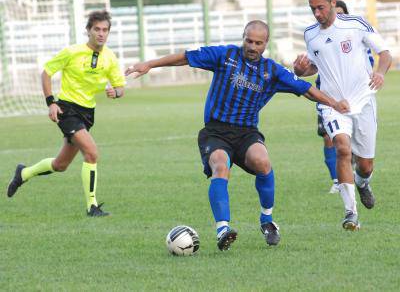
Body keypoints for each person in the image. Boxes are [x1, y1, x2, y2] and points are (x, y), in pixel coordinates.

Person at [125, 20, 349, 250]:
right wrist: (150, 64)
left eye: (258, 43)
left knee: (263, 162)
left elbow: (307, 90)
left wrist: (334, 103)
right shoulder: (225, 56)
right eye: (249, 41)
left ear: (265, 44)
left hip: (246, 133)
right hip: (215, 131)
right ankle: (223, 228)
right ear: (243, 37)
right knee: (220, 166)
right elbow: (186, 56)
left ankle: (267, 220)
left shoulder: (272, 71)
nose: (252, 46)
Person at [7, 10, 126, 217]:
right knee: (91, 152)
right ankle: (92, 206)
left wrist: (114, 92)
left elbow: (120, 87)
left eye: (105, 30)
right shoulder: (72, 52)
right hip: (67, 109)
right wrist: (50, 102)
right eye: (96, 29)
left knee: (60, 165)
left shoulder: (110, 57)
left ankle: (23, 173)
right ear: (88, 31)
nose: (101, 33)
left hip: (88, 113)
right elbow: (47, 72)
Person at [293, 0, 392, 230]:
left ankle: (362, 183)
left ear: (334, 3)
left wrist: (380, 72)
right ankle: (350, 213)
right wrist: (301, 70)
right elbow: (316, 65)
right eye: (312, 8)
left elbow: (385, 53)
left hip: (363, 99)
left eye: (321, 7)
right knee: (342, 148)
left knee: (366, 164)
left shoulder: (356, 24)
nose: (317, 13)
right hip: (333, 104)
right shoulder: (310, 34)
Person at [317, 0, 374, 194]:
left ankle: (360, 179)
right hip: (327, 100)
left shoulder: (355, 38)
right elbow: (312, 64)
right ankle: (337, 181)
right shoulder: (318, 36)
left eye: (342, 14)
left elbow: (369, 63)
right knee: (331, 140)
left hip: (357, 101)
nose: (338, 17)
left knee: (361, 158)